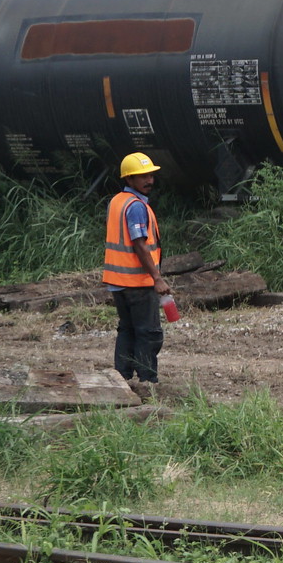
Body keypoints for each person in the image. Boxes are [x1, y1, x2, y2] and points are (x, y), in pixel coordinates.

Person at [103, 152, 169, 387]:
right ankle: (147, 382)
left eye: (150, 174)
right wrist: (157, 278)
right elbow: (139, 244)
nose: (149, 180)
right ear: (128, 179)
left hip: (118, 282)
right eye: (142, 176)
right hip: (137, 283)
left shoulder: (117, 201)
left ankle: (121, 379)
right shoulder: (136, 206)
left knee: (127, 330)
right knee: (149, 333)